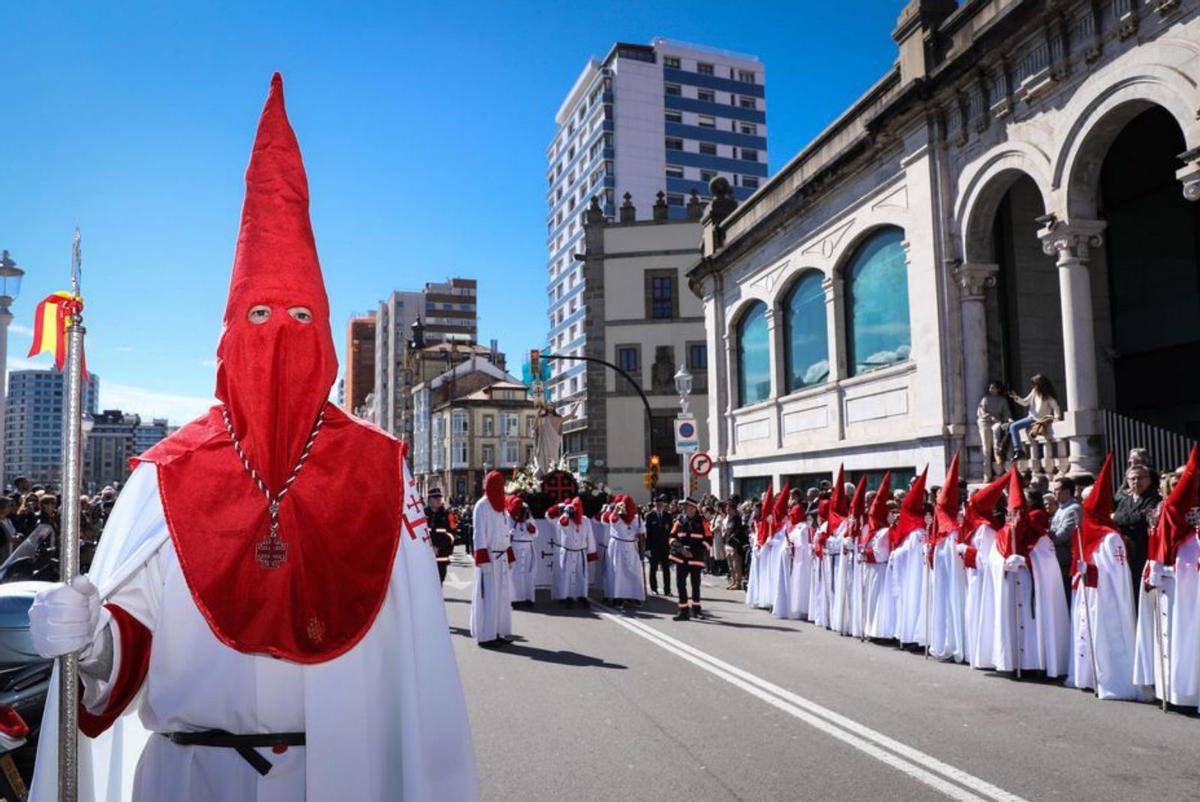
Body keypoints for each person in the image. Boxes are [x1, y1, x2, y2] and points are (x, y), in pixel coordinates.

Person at [26, 74, 476, 801]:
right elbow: (130, 641)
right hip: (187, 780)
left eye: (299, 320)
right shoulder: (166, 474)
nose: (276, 344)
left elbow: (416, 662)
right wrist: (91, 638)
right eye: (258, 318)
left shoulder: (377, 472)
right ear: (229, 335)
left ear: (325, 338)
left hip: (335, 780)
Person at [1065, 455, 1139, 700]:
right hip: (1088, 593)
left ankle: (1110, 678)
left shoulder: (1110, 537)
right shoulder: (1085, 534)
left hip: (1106, 598)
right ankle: (1086, 676)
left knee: (1106, 637)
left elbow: (1117, 575)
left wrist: (1092, 572)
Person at [987, 469, 1069, 677]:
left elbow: (1048, 564)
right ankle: (1012, 661)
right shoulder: (1002, 535)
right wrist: (1004, 563)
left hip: (1032, 588)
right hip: (1010, 585)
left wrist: (1025, 560)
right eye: (1011, 513)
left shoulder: (1040, 536)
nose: (1015, 518)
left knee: (1033, 623)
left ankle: (1035, 662)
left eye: (1018, 513)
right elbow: (992, 559)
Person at [1133, 446, 1198, 707]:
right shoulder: (1160, 512)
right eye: (1170, 483)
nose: (1174, 486)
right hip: (1167, 580)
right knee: (1166, 633)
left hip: (1187, 582)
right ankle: (1167, 689)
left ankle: (1187, 690)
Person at [926, 453, 967, 662]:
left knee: (955, 606)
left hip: (955, 582)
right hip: (942, 581)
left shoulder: (954, 532)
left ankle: (957, 644)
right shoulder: (941, 533)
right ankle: (943, 642)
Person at [883, 468, 928, 646]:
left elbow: (911, 550)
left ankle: (914, 636)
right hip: (906, 571)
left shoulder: (917, 531)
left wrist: (896, 554)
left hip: (914, 573)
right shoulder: (912, 528)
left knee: (914, 601)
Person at [470, 471, 514, 647]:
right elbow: (478, 535)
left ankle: (497, 631)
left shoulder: (501, 507)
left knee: (501, 598)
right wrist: (483, 560)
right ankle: (486, 635)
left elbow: (505, 532)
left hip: (501, 557)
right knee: (488, 597)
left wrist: (509, 556)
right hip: (490, 559)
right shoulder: (482, 506)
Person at [1113, 461, 1161, 596]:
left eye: (1140, 478)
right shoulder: (1124, 501)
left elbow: (1140, 519)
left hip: (1143, 549)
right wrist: (1121, 518)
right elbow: (1119, 519)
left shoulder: (1154, 499)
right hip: (1125, 549)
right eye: (1132, 478)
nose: (1136, 481)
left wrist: (1118, 517)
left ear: (1149, 480)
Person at [861, 474, 894, 640]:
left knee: (879, 600)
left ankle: (879, 631)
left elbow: (880, 554)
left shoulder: (884, 532)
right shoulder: (874, 533)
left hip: (879, 570)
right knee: (871, 600)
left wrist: (864, 553)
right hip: (870, 570)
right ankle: (869, 628)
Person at [1008, 374, 1061, 472]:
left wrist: (1057, 418)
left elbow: (1056, 407)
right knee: (1013, 426)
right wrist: (1015, 397)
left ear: (1041, 385)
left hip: (1039, 419)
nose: (1034, 387)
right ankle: (1018, 450)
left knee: (1024, 430)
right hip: (1031, 417)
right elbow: (1025, 403)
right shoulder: (1034, 392)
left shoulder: (1048, 397)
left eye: (1035, 384)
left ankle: (1020, 451)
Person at [669, 497, 709, 621]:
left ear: (693, 508)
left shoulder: (702, 521)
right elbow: (671, 537)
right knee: (680, 584)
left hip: (695, 559)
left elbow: (708, 540)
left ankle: (697, 610)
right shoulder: (679, 520)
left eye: (686, 506)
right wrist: (681, 549)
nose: (684, 508)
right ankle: (683, 611)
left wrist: (693, 552)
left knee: (695, 585)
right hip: (681, 559)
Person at [551, 497, 596, 607]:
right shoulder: (565, 519)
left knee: (582, 575)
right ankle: (566, 596)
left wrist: (591, 552)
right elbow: (562, 524)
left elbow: (590, 536)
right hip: (568, 551)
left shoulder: (585, 520)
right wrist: (567, 513)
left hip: (580, 552)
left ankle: (582, 595)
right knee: (566, 574)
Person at [605, 495, 646, 608]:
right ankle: (618, 597)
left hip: (631, 547)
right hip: (618, 547)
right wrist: (618, 510)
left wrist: (642, 546)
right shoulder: (616, 516)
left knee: (633, 572)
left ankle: (633, 596)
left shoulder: (637, 518)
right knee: (618, 573)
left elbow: (642, 533)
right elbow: (613, 519)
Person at [1048, 476, 1081, 590]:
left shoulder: (1073, 509)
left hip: (1066, 559)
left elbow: (1064, 534)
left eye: (1056, 490)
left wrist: (1047, 536)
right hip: (1057, 557)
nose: (1053, 493)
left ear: (1067, 491)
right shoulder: (1060, 509)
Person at [507, 496, 538, 608]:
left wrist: (530, 527)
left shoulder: (528, 518)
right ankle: (515, 599)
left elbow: (536, 533)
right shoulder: (509, 518)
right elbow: (506, 534)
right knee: (515, 573)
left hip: (528, 547)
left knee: (529, 573)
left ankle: (528, 598)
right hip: (515, 546)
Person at [977, 381, 1012, 480]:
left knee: (997, 439)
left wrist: (1008, 420)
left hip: (997, 422)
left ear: (998, 389)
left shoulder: (1002, 400)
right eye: (990, 388)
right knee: (986, 449)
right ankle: (986, 474)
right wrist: (990, 417)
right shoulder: (985, 399)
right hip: (984, 422)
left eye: (993, 388)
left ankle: (998, 461)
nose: (991, 390)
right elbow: (981, 412)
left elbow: (1006, 412)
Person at [644, 495, 673, 596]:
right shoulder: (649, 516)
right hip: (654, 546)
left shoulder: (668, 516)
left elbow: (671, 532)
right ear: (655, 504)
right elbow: (647, 533)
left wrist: (671, 546)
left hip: (665, 546)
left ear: (663, 504)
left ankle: (667, 590)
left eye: (661, 503)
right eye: (657, 503)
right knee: (653, 568)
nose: (659, 505)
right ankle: (654, 588)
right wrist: (647, 548)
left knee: (666, 569)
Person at [426, 487, 456, 585]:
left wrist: (438, 547)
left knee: (439, 584)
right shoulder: (421, 514)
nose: (439, 500)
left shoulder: (448, 515)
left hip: (441, 556)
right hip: (425, 557)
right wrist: (429, 548)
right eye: (435, 498)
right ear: (429, 500)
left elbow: (452, 535)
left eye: (440, 498)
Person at [724, 496, 747, 590]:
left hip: (734, 546)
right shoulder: (729, 519)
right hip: (727, 544)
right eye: (726, 509)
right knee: (730, 566)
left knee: (736, 565)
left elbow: (738, 532)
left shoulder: (737, 519)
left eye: (729, 509)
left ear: (733, 510)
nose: (727, 511)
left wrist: (733, 539)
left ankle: (738, 582)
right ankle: (733, 581)